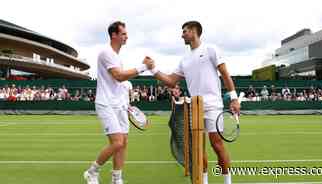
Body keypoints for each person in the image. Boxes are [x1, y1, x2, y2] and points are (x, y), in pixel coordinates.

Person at [145, 21, 240, 184]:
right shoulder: (184, 60)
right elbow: (170, 80)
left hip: (213, 106)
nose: (182, 35)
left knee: (217, 145)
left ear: (194, 31)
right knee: (198, 148)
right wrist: (153, 69)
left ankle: (227, 181)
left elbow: (225, 73)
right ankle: (203, 181)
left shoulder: (211, 50)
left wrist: (234, 98)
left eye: (185, 31)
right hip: (195, 107)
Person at [83, 21, 153, 184]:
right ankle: (92, 171)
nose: (126, 36)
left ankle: (116, 178)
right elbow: (119, 76)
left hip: (119, 105)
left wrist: (125, 101)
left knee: (123, 143)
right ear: (114, 35)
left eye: (126, 34)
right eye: (123, 34)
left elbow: (119, 82)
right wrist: (143, 67)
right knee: (117, 142)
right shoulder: (106, 53)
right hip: (106, 104)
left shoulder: (117, 57)